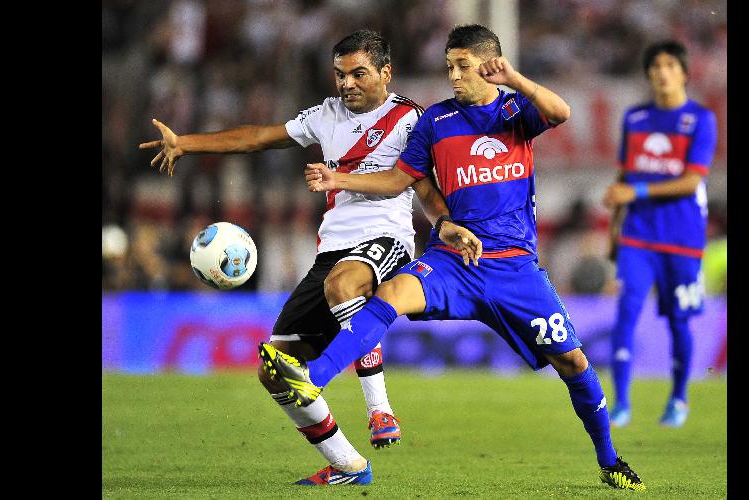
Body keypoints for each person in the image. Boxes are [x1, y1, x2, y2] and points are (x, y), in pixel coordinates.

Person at [259, 24, 645, 491]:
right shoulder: (435, 121)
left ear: (489, 65)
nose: (454, 76)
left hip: (514, 269)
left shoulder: (514, 111)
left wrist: (515, 79)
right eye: (449, 67)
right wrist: (341, 181)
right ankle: (314, 377)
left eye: (463, 66)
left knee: (575, 365)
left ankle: (609, 459)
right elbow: (402, 181)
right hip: (454, 259)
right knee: (391, 293)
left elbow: (560, 111)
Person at [139, 30, 482, 486]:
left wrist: (443, 225)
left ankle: (380, 410)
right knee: (275, 370)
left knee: (343, 285)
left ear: (385, 73)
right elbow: (259, 137)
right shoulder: (325, 115)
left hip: (387, 241)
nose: (347, 84)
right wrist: (187, 144)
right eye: (340, 75)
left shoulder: (409, 118)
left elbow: (421, 187)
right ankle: (347, 464)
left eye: (358, 73)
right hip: (332, 251)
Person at [602, 40, 718, 428]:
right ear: (649, 73)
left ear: (684, 73)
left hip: (683, 239)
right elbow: (623, 176)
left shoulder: (701, 120)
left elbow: (691, 181)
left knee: (678, 321)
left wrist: (636, 192)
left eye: (670, 64)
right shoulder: (635, 118)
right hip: (637, 235)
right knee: (625, 314)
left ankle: (679, 398)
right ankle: (620, 404)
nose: (662, 71)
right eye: (655, 65)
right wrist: (614, 231)